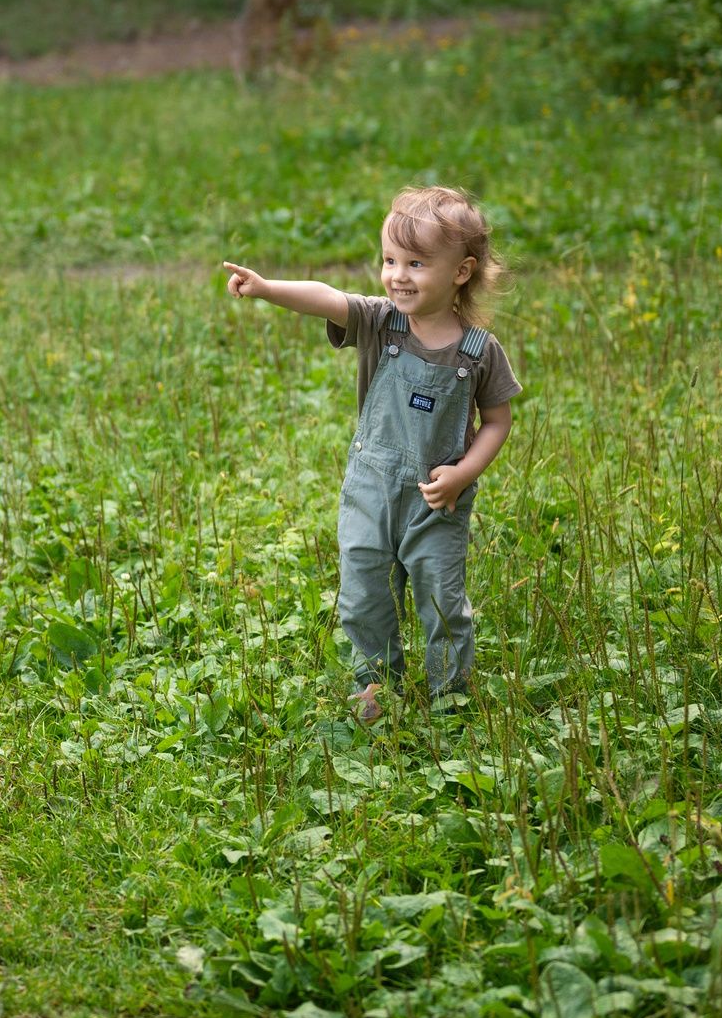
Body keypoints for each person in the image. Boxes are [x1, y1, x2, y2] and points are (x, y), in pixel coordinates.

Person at [222, 185, 518, 720]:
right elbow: (327, 297)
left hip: (437, 501)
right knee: (363, 591)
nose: (398, 275)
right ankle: (377, 684)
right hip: (370, 490)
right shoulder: (382, 322)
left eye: (416, 263)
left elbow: (497, 421)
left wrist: (463, 473)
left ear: (461, 271)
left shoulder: (479, 350)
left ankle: (449, 695)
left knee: (441, 600)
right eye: (389, 260)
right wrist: (266, 289)